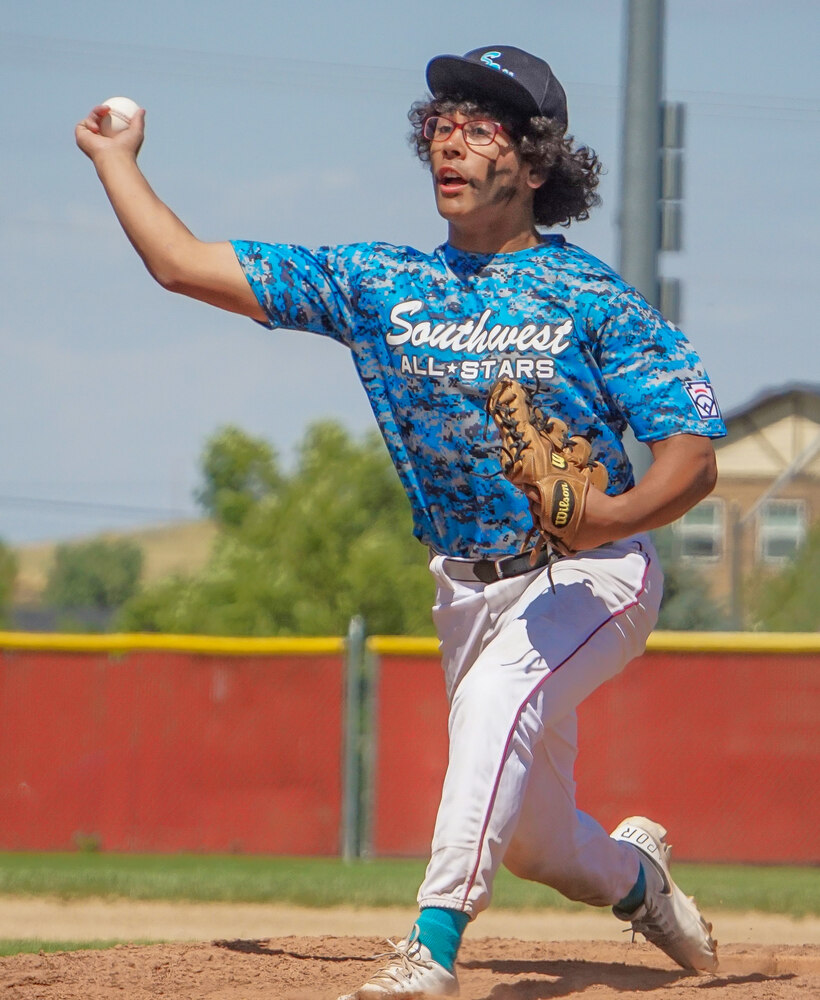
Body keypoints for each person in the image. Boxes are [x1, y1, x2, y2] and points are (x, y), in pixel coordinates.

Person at [77, 43, 724, 998]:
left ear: (536, 164)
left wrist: (611, 516)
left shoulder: (591, 296)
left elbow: (693, 456)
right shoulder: (380, 284)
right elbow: (182, 265)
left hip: (594, 574)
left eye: (481, 130)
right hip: (466, 588)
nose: (449, 146)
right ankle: (640, 878)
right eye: (441, 128)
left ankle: (431, 948)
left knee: (501, 697)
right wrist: (114, 160)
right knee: (543, 846)